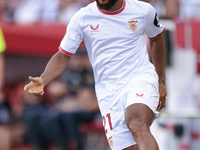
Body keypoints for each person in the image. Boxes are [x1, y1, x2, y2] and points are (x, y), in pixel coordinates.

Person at [24, 0, 167, 149]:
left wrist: (160, 81)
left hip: (139, 78)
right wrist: (43, 79)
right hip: (108, 94)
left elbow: (156, 38)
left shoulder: (143, 10)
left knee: (136, 123)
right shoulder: (82, 18)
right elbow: (62, 56)